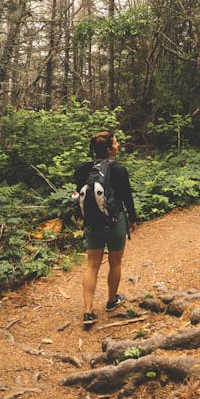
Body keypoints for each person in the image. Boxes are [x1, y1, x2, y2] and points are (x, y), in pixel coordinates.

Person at [74, 130, 137, 328]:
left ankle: (88, 311)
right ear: (109, 149)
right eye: (116, 143)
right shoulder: (118, 170)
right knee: (115, 262)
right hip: (115, 222)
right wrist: (133, 219)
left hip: (92, 223)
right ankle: (111, 301)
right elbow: (127, 198)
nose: (118, 145)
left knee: (92, 265)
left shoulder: (83, 170)